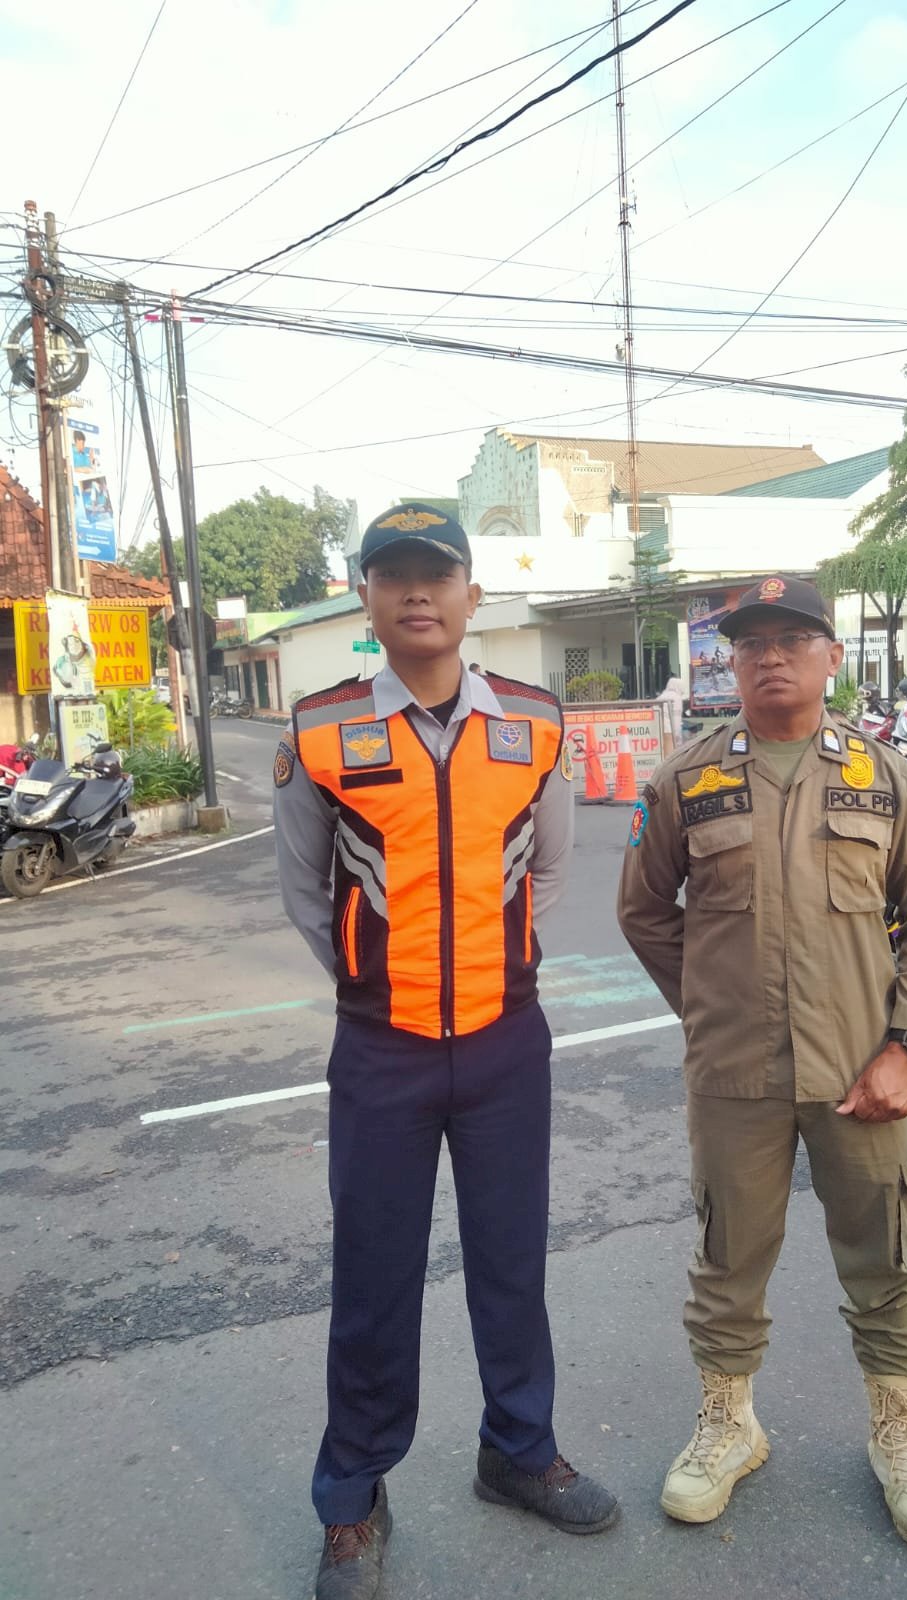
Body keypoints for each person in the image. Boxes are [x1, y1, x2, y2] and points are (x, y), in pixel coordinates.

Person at [274, 503, 618, 1600]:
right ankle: (353, 1497)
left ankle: (517, 1449)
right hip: (382, 1049)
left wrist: (495, 969)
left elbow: (551, 871)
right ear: (367, 598)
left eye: (438, 572)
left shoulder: (533, 721)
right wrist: (381, 985)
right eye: (394, 574)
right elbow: (303, 890)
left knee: (512, 1262)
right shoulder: (321, 728)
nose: (417, 592)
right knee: (373, 1280)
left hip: (507, 1041)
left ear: (472, 593)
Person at [617, 574, 907, 1549]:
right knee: (727, 1259)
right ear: (731, 660)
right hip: (734, 1077)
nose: (772, 654)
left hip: (864, 1073)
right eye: (753, 640)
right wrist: (707, 1004)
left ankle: (898, 1431)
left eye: (793, 637)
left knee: (886, 1257)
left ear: (830, 657)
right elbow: (645, 911)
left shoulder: (884, 778)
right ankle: (730, 1424)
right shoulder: (682, 780)